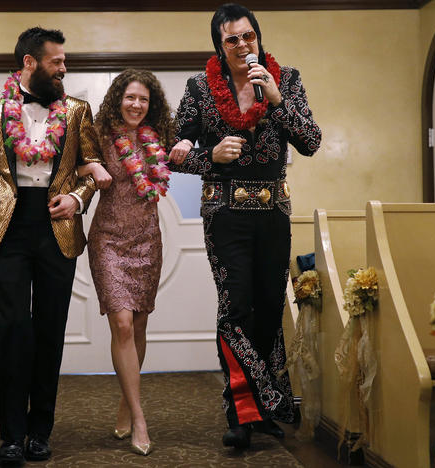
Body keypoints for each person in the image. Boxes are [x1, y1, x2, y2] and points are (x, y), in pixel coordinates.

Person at [169, 3, 322, 449]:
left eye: (248, 36)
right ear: (220, 43)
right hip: (225, 213)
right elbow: (170, 152)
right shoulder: (199, 87)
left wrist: (274, 99)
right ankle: (244, 410)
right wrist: (208, 157)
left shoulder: (286, 79)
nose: (242, 45)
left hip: (273, 211)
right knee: (235, 310)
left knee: (269, 309)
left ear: (258, 37)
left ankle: (261, 412)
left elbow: (311, 142)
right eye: (232, 39)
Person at [0, 26, 109, 465]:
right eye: (56, 61)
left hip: (57, 227)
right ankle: (11, 435)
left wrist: (78, 198)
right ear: (29, 63)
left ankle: (40, 430)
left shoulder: (79, 110)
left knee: (49, 329)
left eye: (64, 61)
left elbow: (91, 168)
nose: (64, 68)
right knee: (12, 329)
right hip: (11, 229)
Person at [78, 69, 173, 456]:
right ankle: (139, 417)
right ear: (119, 98)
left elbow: (182, 158)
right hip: (108, 240)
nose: (136, 104)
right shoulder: (100, 134)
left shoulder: (158, 137)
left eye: (144, 100)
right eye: (130, 97)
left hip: (147, 238)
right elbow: (72, 165)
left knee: (138, 323)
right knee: (120, 322)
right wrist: (92, 167)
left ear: (151, 106)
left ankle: (125, 399)